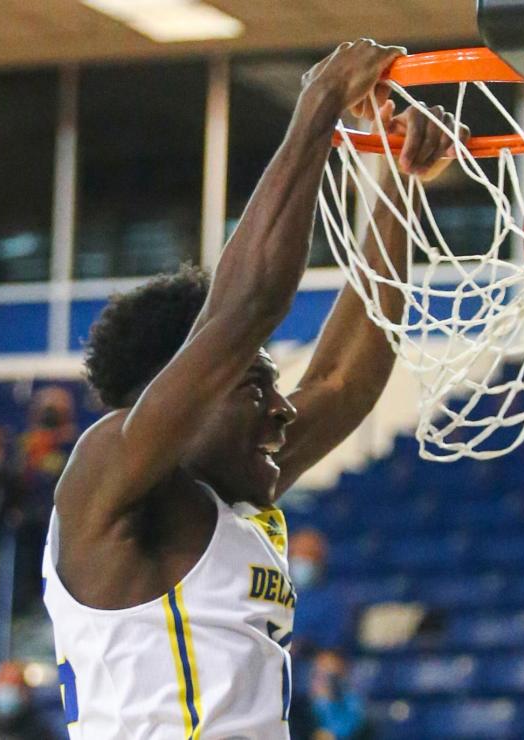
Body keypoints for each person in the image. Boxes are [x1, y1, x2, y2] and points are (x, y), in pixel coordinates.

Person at [42, 38, 468, 739]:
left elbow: (345, 381)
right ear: (182, 386)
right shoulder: (110, 474)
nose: (281, 408)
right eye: (254, 385)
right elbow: (248, 306)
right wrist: (320, 103)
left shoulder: (227, 487)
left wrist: (399, 184)